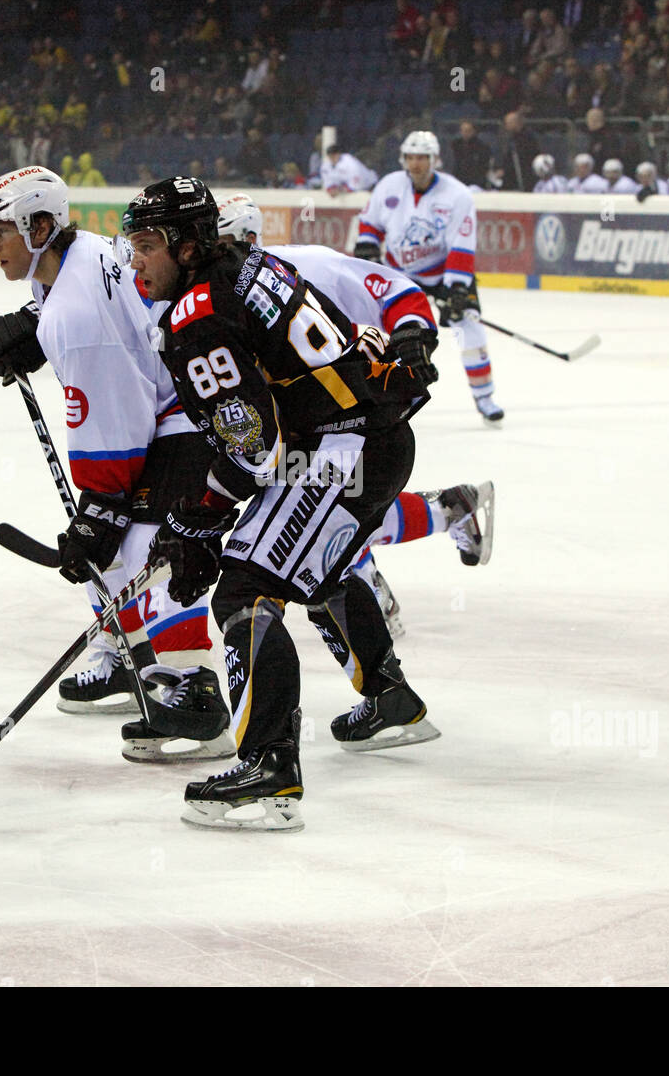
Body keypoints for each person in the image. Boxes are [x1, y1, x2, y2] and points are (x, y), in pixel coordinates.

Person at [122, 176, 441, 832]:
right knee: (314, 569)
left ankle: (270, 772)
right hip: (371, 435)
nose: (136, 261)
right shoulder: (253, 264)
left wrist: (195, 519)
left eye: (147, 244)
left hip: (340, 449)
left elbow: (253, 446)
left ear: (186, 248)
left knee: (245, 589)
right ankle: (391, 698)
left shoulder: (196, 316)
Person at [0, 166, 233, 761]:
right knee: (121, 542)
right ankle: (126, 656)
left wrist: (102, 505)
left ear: (40, 226)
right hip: (178, 396)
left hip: (188, 411)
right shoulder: (78, 254)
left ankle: (193, 697)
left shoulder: (75, 316)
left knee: (149, 547)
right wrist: (36, 330)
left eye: (1, 233)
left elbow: (118, 416)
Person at [214, 192, 496, 637]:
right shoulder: (212, 292)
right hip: (300, 425)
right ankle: (447, 510)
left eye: (221, 243)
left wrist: (413, 338)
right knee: (316, 500)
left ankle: (364, 586)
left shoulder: (304, 265)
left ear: (248, 239)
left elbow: (399, 290)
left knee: (321, 501)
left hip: (358, 415)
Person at [351, 130, 504, 425]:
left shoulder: (457, 194)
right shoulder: (389, 186)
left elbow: (461, 244)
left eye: (422, 157)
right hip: (400, 275)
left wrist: (456, 289)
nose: (416, 163)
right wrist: (368, 249)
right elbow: (369, 223)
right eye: (411, 157)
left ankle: (485, 398)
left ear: (435, 160)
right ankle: (384, 398)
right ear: (403, 159)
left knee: (470, 330)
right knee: (385, 334)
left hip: (444, 271)